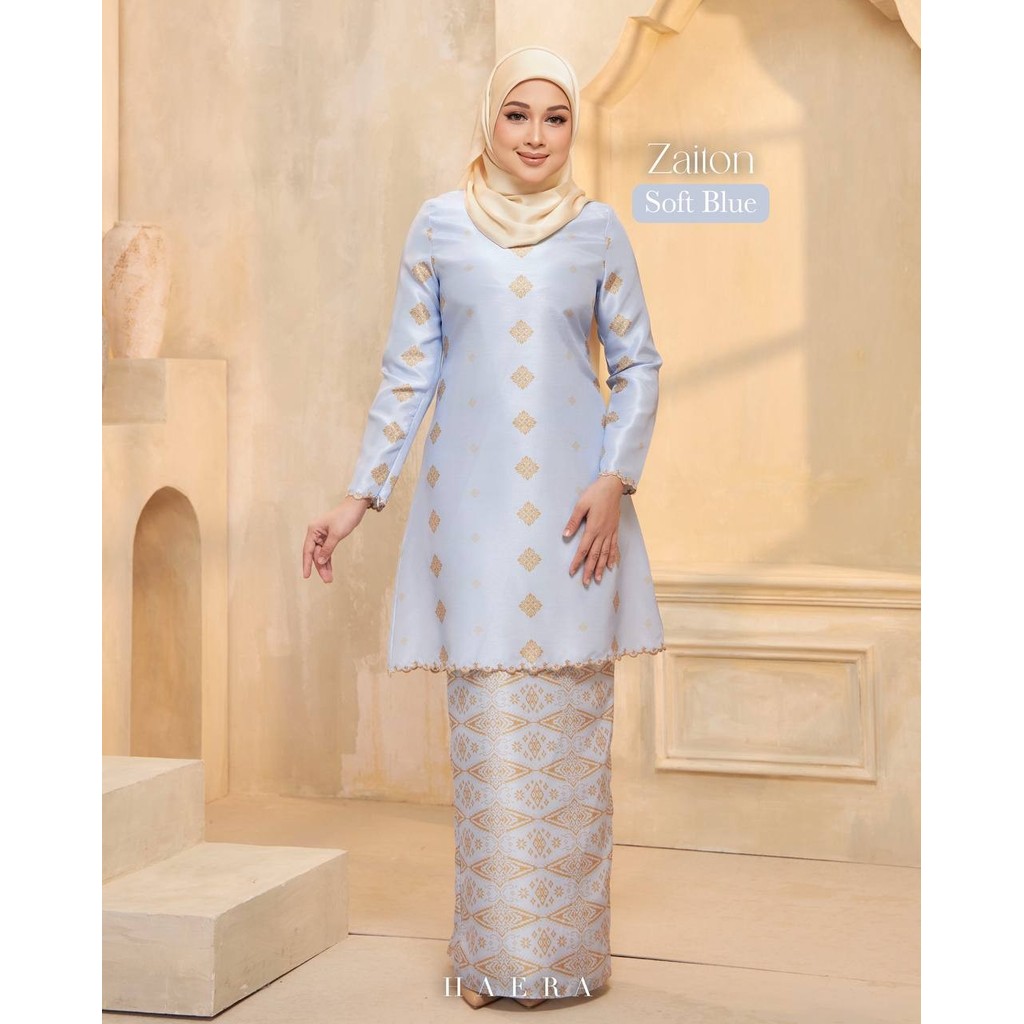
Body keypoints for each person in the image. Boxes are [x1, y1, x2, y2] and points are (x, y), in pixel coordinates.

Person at [302, 45, 665, 1009]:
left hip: (578, 521)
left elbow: (638, 365)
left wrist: (616, 477)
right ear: (490, 120)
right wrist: (356, 498)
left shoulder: (597, 231)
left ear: (573, 127)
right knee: (494, 747)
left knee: (570, 749)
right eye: (518, 114)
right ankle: (493, 960)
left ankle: (570, 959)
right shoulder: (439, 226)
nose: (536, 136)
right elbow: (407, 373)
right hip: (472, 519)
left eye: (556, 117)